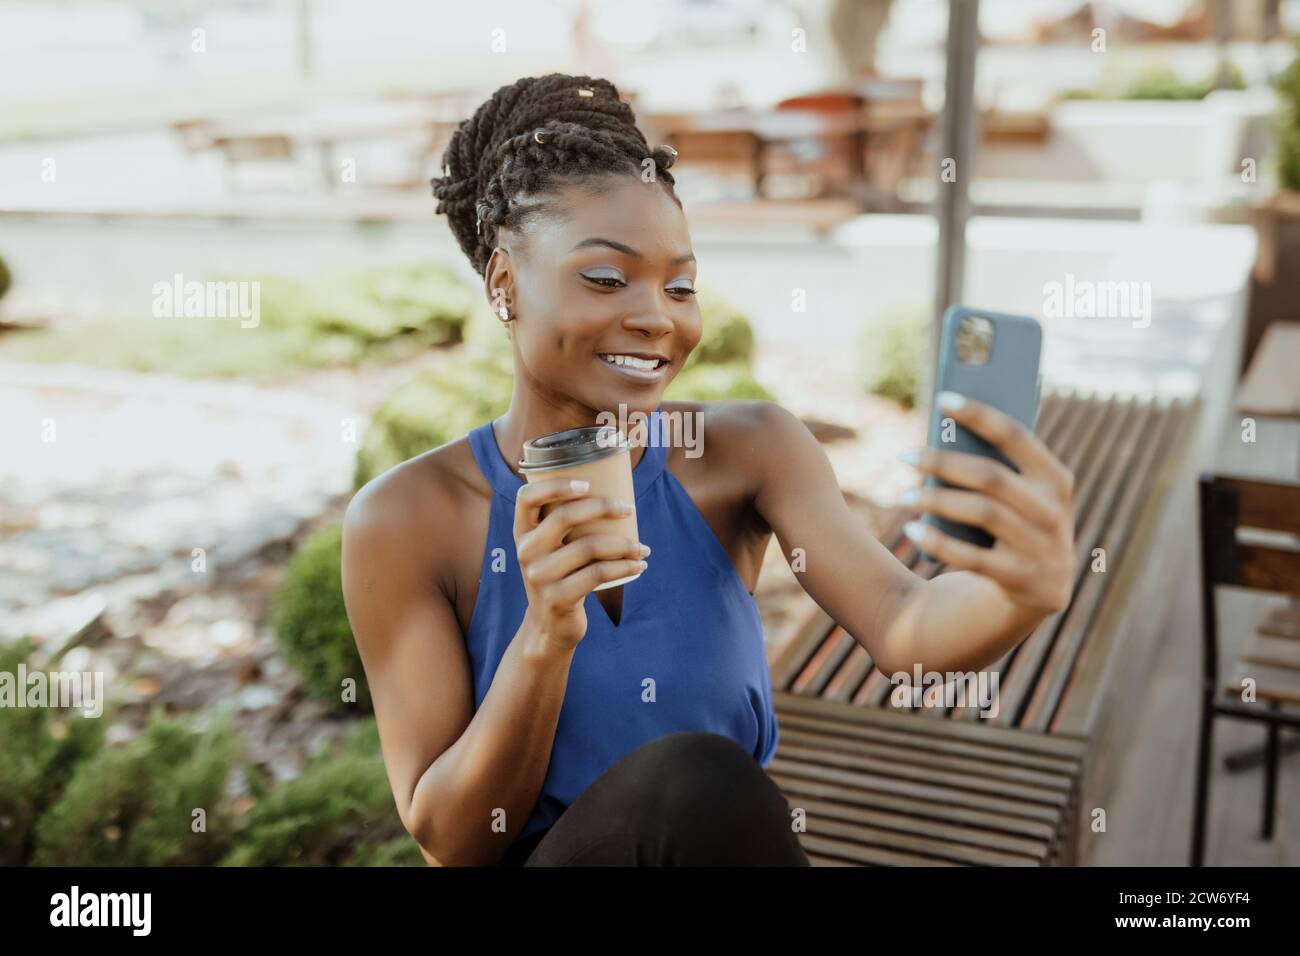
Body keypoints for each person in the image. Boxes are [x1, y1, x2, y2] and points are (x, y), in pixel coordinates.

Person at [340, 73, 1076, 867]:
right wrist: (544, 639)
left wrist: (1016, 592)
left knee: (700, 789)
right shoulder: (408, 519)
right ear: (503, 282)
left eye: (681, 284)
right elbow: (453, 838)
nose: (658, 315)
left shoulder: (748, 453)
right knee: (691, 783)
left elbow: (906, 629)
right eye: (606, 278)